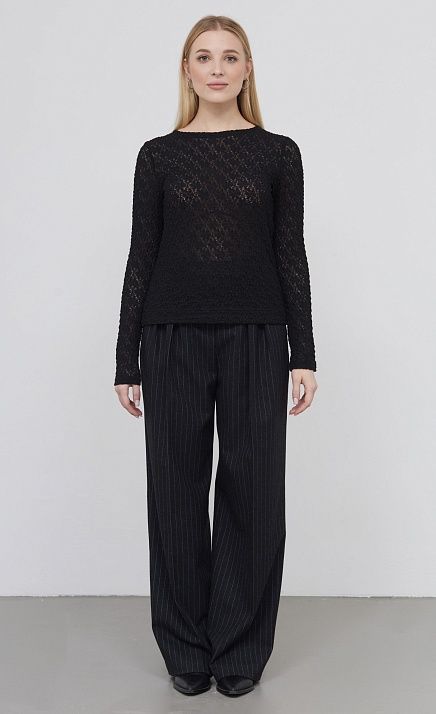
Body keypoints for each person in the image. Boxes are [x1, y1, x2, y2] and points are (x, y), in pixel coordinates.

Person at [114, 14, 318, 698]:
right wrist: (126, 359)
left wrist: (303, 353)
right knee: (175, 489)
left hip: (257, 336)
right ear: (187, 70)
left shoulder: (278, 154)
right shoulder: (158, 156)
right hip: (170, 335)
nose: (218, 68)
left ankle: (239, 647)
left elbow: (290, 254)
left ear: (248, 68)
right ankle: (185, 647)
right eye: (204, 57)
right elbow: (142, 255)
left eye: (231, 57)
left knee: (253, 490)